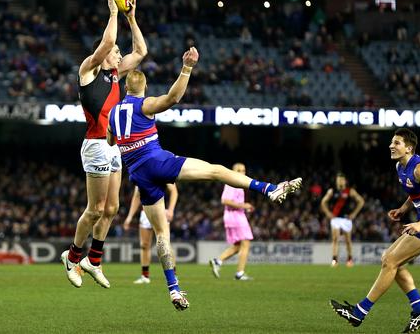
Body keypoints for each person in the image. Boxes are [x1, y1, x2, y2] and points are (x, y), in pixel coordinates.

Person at [108, 47, 302, 310]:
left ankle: (174, 289)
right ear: (143, 86)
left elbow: (111, 140)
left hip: (138, 174)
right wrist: (187, 68)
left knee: (162, 235)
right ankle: (269, 189)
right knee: (216, 171)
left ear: (125, 86)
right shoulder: (145, 104)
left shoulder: (112, 115)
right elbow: (173, 98)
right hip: (157, 161)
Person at [61, 0, 147, 289]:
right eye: (115, 52)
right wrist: (113, 11)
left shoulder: (114, 75)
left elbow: (141, 52)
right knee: (95, 209)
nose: (119, 54)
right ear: (103, 53)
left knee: (112, 209)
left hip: (114, 147)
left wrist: (132, 18)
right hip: (96, 144)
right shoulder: (89, 70)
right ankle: (72, 257)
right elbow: (109, 40)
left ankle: (93, 260)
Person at [331, 128, 420, 333]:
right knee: (389, 259)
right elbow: (415, 191)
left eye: (396, 143)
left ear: (409, 148)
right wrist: (404, 209)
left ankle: (359, 312)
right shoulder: (400, 167)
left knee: (391, 261)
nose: (391, 146)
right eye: (392, 142)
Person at [209, 163, 256, 281]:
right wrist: (244, 205)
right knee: (246, 243)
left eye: (243, 170)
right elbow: (225, 200)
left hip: (234, 215)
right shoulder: (232, 184)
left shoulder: (238, 185)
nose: (241, 172)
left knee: (238, 246)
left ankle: (217, 261)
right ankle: (240, 273)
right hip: (235, 216)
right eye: (238, 170)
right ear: (232, 172)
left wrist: (244, 207)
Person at [124, 184, 178, 284]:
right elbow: (136, 196)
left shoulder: (162, 170)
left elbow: (174, 191)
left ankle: (173, 275)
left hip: (161, 211)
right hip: (145, 212)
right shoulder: (139, 172)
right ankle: (145, 276)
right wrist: (130, 216)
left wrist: (171, 209)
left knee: (165, 243)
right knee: (144, 245)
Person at [320, 172, 365, 267]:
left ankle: (349, 259)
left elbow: (361, 201)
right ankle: (334, 259)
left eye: (341, 179)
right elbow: (323, 202)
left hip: (346, 218)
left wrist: (354, 213)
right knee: (335, 238)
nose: (339, 181)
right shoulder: (332, 191)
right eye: (338, 180)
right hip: (335, 218)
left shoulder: (350, 191)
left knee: (348, 240)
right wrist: (328, 213)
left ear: (345, 181)